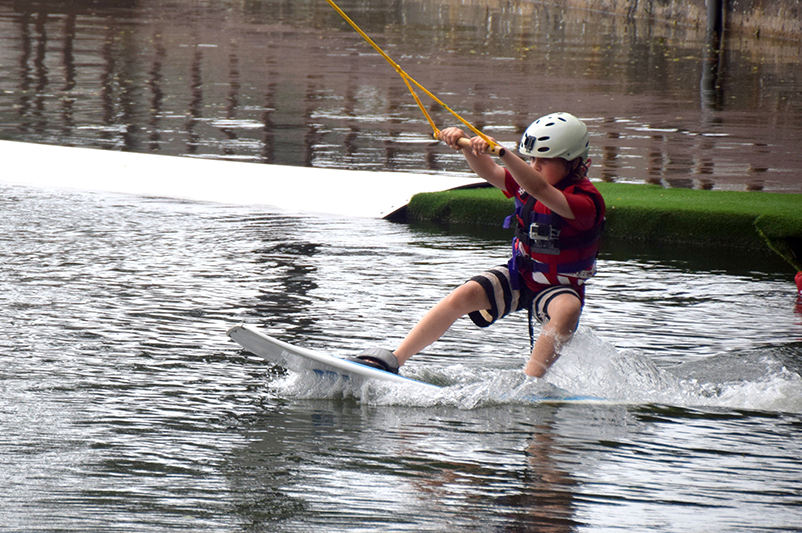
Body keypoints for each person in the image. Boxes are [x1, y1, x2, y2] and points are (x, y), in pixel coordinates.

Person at [351, 112, 606, 378]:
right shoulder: (526, 184)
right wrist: (468, 145)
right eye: (531, 159)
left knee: (568, 309)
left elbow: (540, 189)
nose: (534, 166)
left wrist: (505, 154)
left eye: (544, 160)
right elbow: (491, 171)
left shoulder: (587, 203)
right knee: (464, 294)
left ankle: (531, 382)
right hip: (521, 275)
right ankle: (393, 359)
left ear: (575, 164)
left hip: (558, 288)